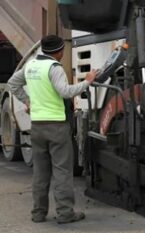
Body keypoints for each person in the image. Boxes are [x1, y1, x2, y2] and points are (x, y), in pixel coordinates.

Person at [7, 35, 98, 223]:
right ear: (59, 52)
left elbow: (12, 84)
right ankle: (65, 213)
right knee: (62, 171)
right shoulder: (54, 68)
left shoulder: (31, 65)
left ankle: (38, 213)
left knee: (40, 172)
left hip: (37, 127)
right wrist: (87, 81)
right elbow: (65, 92)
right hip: (56, 126)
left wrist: (27, 101)